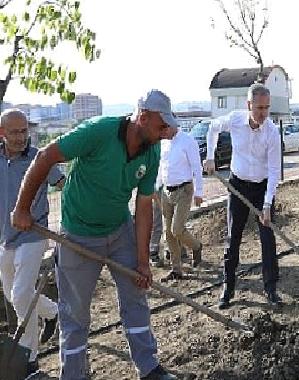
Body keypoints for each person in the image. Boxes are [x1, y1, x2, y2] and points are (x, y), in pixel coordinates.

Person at [11, 89, 178, 380]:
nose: (166, 133)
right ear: (143, 117)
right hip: (78, 236)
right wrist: (22, 208)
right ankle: (74, 375)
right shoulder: (98, 132)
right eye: (162, 126)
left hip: (119, 231)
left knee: (136, 300)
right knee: (75, 315)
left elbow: (143, 207)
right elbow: (45, 156)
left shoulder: (151, 152)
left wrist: (142, 261)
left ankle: (149, 368)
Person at [203, 83, 282, 310]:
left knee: (268, 237)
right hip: (237, 186)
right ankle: (228, 287)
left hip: (262, 187)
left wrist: (267, 205)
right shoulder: (236, 120)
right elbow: (213, 127)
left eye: (266, 108)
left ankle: (270, 288)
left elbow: (275, 170)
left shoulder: (272, 132)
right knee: (233, 236)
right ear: (249, 105)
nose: (263, 113)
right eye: (258, 108)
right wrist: (210, 157)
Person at [0, 109, 63, 376]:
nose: (21, 137)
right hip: (5, 238)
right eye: (14, 132)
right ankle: (53, 312)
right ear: (2, 133)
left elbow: (64, 184)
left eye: (24, 131)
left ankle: (30, 358)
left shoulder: (40, 158)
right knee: (11, 293)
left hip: (35, 233)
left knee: (20, 294)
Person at [157, 123, 204, 279]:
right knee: (168, 233)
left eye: (164, 129)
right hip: (166, 191)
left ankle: (196, 246)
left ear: (171, 125)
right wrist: (156, 187)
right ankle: (176, 269)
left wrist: (199, 192)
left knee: (177, 229)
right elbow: (161, 166)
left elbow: (197, 167)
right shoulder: (163, 142)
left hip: (184, 190)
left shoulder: (187, 141)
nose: (162, 133)